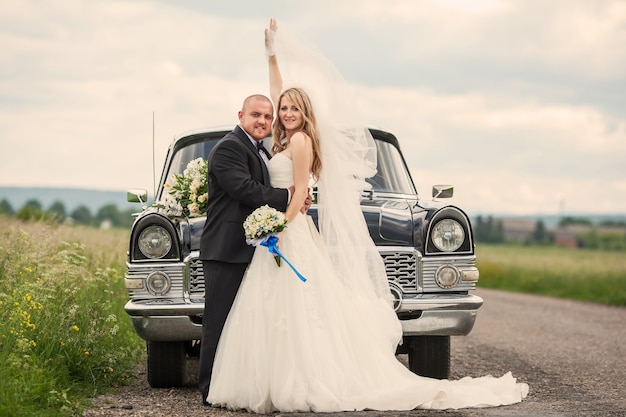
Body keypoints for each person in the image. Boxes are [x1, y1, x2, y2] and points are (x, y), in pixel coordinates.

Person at [205, 19, 529, 412]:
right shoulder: (280, 136)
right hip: (280, 230)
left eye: (292, 108)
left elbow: (302, 192)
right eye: (282, 109)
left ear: (304, 112)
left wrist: (280, 224)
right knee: (279, 312)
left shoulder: (302, 140)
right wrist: (272, 56)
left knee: (296, 311)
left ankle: (301, 379)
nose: (284, 112)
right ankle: (271, 377)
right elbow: (278, 98)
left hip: (288, 229)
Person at [197, 94, 295, 405]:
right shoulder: (230, 147)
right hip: (225, 250)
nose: (263, 121)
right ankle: (210, 386)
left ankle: (235, 383)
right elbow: (244, 189)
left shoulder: (257, 148)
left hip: (247, 248)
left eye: (268, 117)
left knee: (240, 321)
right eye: (256, 115)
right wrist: (289, 195)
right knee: (219, 321)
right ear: (241, 115)